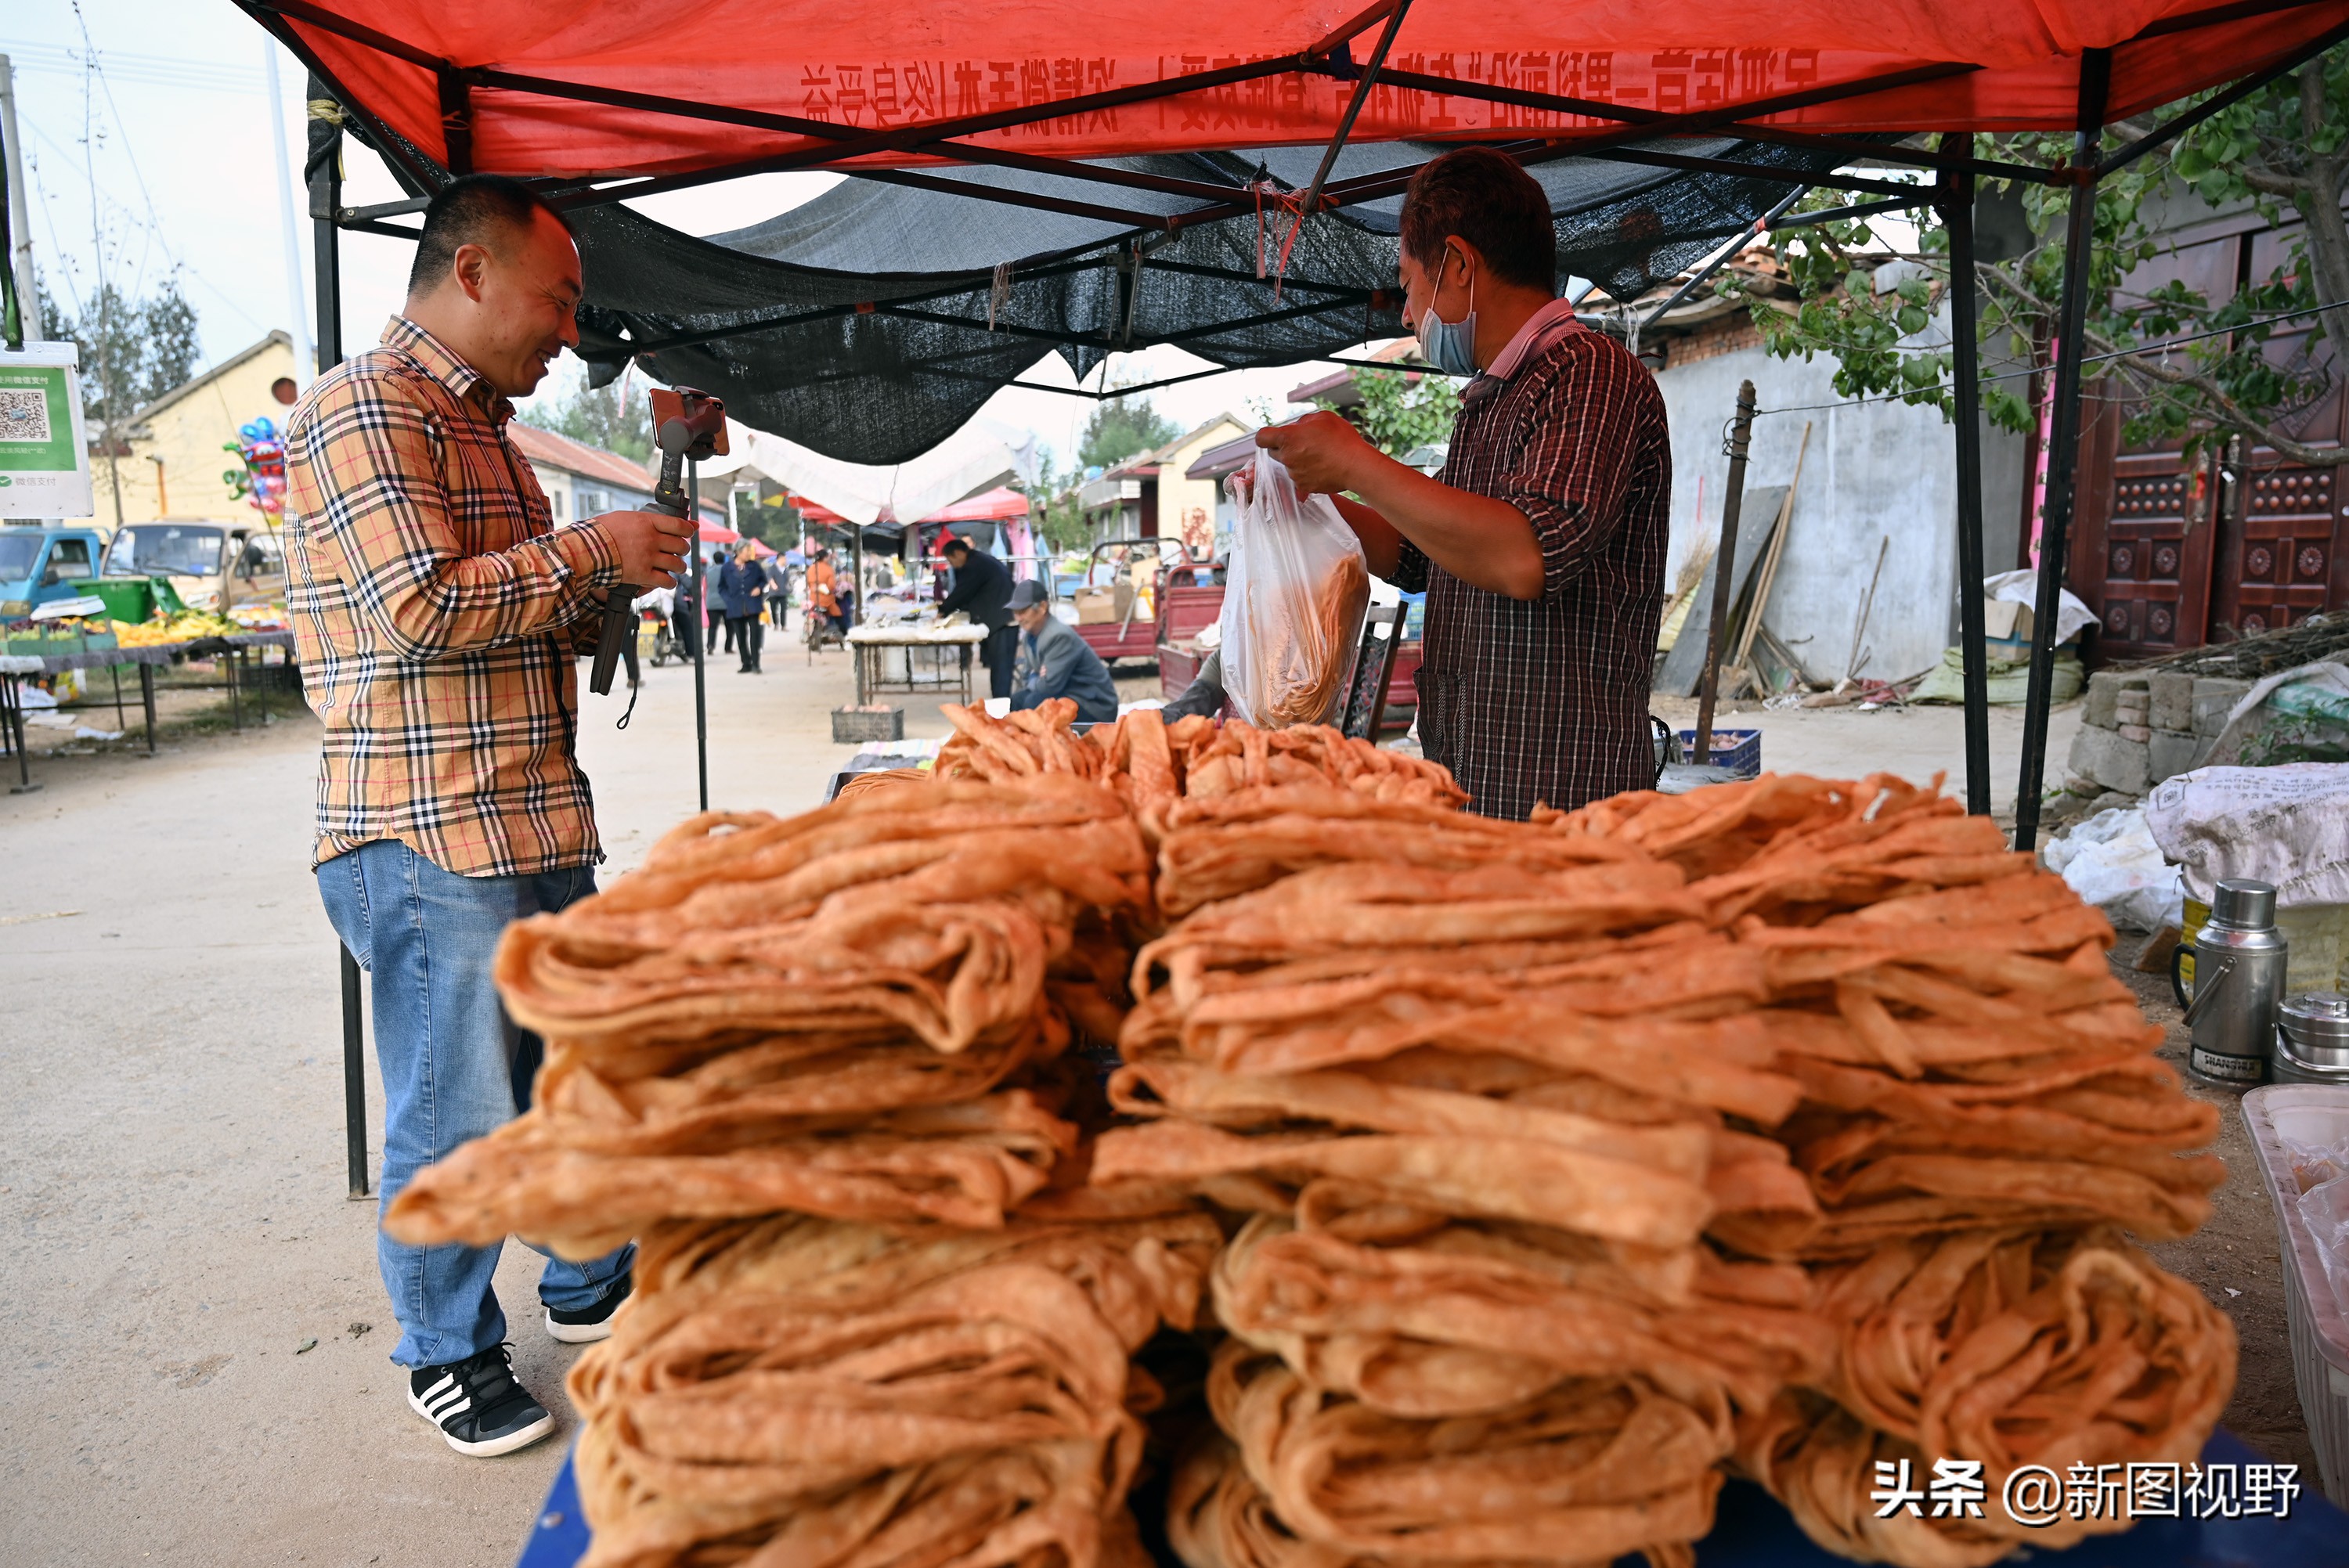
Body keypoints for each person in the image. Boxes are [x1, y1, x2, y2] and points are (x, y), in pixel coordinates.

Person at [283, 174, 691, 1458]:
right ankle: (444, 1347)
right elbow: (420, 606)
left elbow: (507, 617)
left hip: (532, 817)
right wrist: (591, 553)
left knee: (568, 1068)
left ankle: (583, 1273)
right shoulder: (364, 405)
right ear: (471, 271)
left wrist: (602, 595)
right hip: (426, 829)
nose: (570, 330)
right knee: (455, 1104)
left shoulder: (495, 441)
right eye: (557, 300)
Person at [1255, 147, 1669, 820]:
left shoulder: (1591, 373)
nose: (1406, 314)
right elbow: (1422, 554)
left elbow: (1526, 556)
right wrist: (1307, 498)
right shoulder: (1491, 399)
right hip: (1475, 788)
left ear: (1457, 265)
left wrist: (1357, 462)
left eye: (1408, 284)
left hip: (1563, 805)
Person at [1006, 579, 1118, 723]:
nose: (1019, 618)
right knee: (1017, 701)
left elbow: (1049, 687)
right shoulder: (1029, 637)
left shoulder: (1059, 636)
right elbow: (1026, 678)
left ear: (1042, 607)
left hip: (1093, 705)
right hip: (1067, 695)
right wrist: (1036, 677)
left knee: (1034, 703)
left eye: (1023, 611)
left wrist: (1035, 677)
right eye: (1016, 612)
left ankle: (1043, 739)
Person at [933, 535, 1016, 701]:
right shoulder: (981, 560)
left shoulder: (974, 565)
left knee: (1002, 669)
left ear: (958, 553)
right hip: (1000, 618)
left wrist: (943, 611)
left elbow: (962, 592)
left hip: (1003, 621)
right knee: (999, 668)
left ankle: (1002, 707)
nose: (952, 564)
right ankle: (999, 704)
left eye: (950, 560)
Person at [719, 542, 766, 672]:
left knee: (755, 636)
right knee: (740, 637)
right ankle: (746, 663)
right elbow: (721, 587)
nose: (749, 553)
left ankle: (756, 664)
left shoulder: (754, 566)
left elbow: (763, 580)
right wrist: (728, 600)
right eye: (747, 551)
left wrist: (759, 588)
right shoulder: (727, 568)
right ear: (738, 552)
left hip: (753, 605)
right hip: (735, 606)